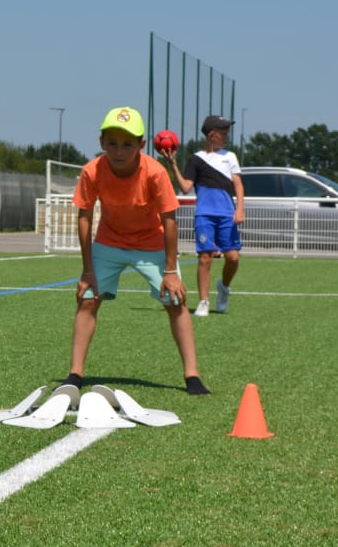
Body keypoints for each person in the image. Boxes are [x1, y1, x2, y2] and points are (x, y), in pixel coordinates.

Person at [63, 106, 209, 396]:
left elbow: (169, 220)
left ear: (141, 145)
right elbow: (84, 217)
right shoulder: (92, 171)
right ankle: (75, 373)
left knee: (175, 300)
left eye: (127, 144)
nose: (119, 151)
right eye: (113, 143)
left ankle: (192, 374)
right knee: (88, 299)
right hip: (109, 241)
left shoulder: (155, 172)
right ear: (102, 142)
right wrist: (87, 270)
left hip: (151, 244)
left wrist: (171, 271)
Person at [165, 115, 244, 316]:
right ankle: (203, 301)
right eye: (223, 133)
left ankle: (224, 287)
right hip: (204, 215)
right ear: (212, 134)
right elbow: (185, 188)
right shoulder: (196, 159)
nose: (227, 136)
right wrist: (173, 165)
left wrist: (240, 209)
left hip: (227, 214)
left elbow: (238, 184)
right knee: (205, 257)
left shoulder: (230, 156)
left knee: (233, 258)